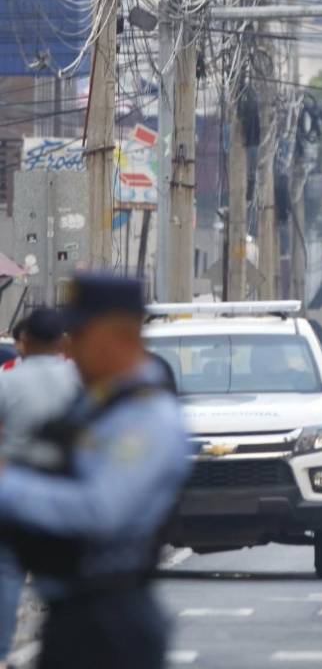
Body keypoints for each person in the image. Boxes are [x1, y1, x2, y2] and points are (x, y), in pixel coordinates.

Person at [0, 274, 191, 669]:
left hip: (110, 620)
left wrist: (8, 484)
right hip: (76, 610)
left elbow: (100, 508)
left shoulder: (145, 417)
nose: (70, 348)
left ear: (116, 335)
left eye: (80, 335)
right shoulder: (101, 404)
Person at [0, 309, 80, 667]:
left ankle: (2, 652)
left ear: (26, 341)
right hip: (68, 489)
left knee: (7, 571)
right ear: (62, 342)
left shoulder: (7, 381)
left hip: (16, 487)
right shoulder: (80, 379)